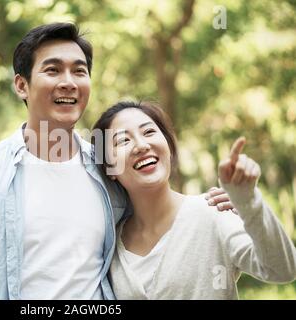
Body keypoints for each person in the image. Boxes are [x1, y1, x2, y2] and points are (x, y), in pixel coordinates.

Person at [0, 23, 232, 300]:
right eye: (53, 70)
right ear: (21, 85)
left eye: (79, 71)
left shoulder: (108, 164)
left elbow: (154, 209)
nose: (68, 82)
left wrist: (202, 206)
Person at [92, 100, 296, 299]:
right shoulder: (109, 247)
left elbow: (283, 270)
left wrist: (249, 202)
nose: (141, 145)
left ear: (169, 146)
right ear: (109, 169)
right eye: (123, 141)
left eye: (149, 132)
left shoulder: (213, 212)